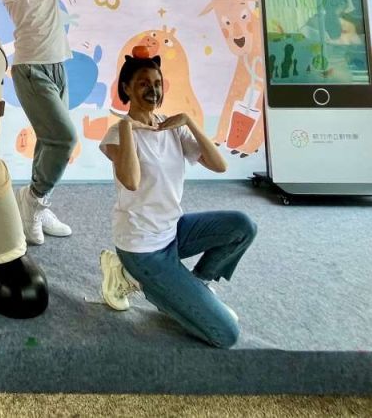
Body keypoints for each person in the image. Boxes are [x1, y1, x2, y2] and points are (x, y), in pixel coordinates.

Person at [97, 49, 257, 348]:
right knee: (226, 334)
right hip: (143, 249)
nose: (153, 89)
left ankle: (197, 284)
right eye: (143, 83)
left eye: (157, 82)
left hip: (173, 231)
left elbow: (219, 165)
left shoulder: (170, 128)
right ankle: (133, 276)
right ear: (126, 89)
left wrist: (189, 122)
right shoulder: (116, 135)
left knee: (241, 226)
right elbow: (130, 181)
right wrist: (128, 127)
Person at [1, 0, 79, 245]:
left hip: (57, 66)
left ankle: (37, 203)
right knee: (64, 138)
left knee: (48, 141)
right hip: (30, 70)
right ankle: (33, 199)